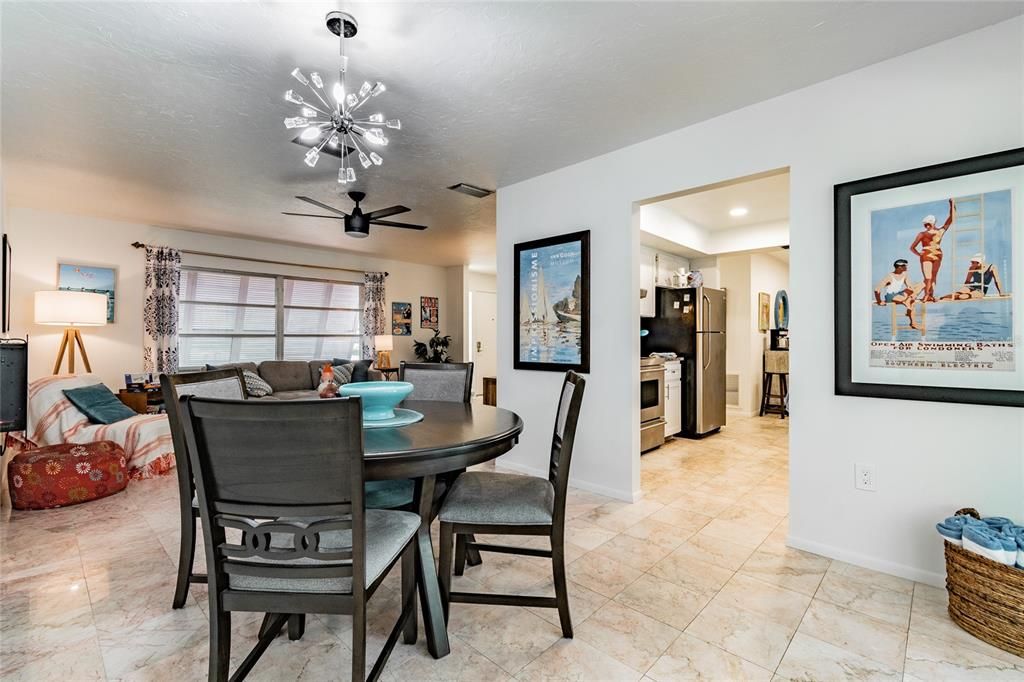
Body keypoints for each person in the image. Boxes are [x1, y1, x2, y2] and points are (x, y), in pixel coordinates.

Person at [909, 198, 955, 302]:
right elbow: (912, 247)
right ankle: (926, 295)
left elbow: (952, 218)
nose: (927, 226)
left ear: (934, 223)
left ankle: (931, 295)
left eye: (929, 224)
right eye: (925, 224)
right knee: (928, 277)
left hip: (938, 254)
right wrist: (919, 254)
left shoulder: (940, 231)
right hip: (926, 254)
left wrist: (952, 204)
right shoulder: (922, 234)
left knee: (934, 276)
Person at [874, 258, 922, 329]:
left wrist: (913, 292)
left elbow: (910, 286)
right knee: (908, 301)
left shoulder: (905, 274)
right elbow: (877, 289)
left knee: (921, 285)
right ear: (899, 267)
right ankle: (913, 323)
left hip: (899, 294)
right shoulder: (889, 276)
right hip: (890, 296)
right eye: (905, 266)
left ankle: (908, 303)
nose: (906, 267)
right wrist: (879, 301)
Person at [940, 254, 1005, 300]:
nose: (971, 264)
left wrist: (1001, 292)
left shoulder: (992, 267)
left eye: (973, 262)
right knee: (956, 294)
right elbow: (967, 281)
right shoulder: (972, 268)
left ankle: (963, 295)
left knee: (962, 297)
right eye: (971, 262)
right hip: (971, 286)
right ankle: (941, 298)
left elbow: (997, 280)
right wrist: (964, 289)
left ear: (979, 262)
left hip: (981, 289)